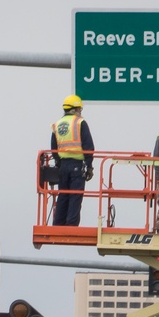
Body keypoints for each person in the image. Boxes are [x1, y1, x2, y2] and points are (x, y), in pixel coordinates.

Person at [50, 94, 95, 226]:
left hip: (63, 165)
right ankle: (71, 224)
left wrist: (58, 162)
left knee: (63, 194)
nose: (81, 112)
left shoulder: (57, 124)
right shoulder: (80, 122)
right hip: (77, 164)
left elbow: (53, 147)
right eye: (80, 109)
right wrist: (89, 166)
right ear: (75, 109)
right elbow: (88, 146)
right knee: (75, 195)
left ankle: (58, 223)